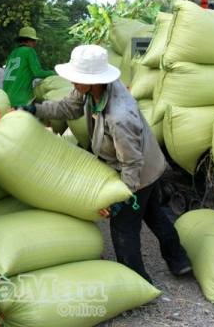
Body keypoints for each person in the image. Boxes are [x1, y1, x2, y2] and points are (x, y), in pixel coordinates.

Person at [15, 44, 191, 285]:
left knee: (123, 230)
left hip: (139, 169)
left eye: (76, 79)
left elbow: (131, 163)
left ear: (93, 80)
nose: (73, 83)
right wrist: (35, 109)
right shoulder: (91, 90)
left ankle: (138, 283)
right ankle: (180, 261)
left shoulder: (119, 117)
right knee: (155, 215)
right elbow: (68, 107)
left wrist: (123, 197)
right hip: (144, 160)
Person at [2, 27, 55, 106]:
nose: (35, 43)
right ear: (29, 40)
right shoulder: (29, 51)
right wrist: (53, 72)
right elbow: (38, 73)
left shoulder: (13, 53)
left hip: (7, 99)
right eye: (34, 40)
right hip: (22, 99)